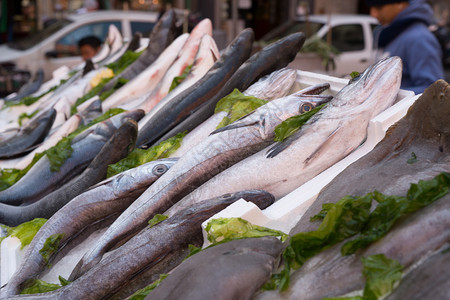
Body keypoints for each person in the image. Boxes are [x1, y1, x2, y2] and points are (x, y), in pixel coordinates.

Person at [366, 0, 445, 94]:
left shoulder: (419, 38)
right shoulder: (390, 32)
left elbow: (433, 90)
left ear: (400, 3)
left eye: (379, 7)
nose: (373, 14)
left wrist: (385, 95)